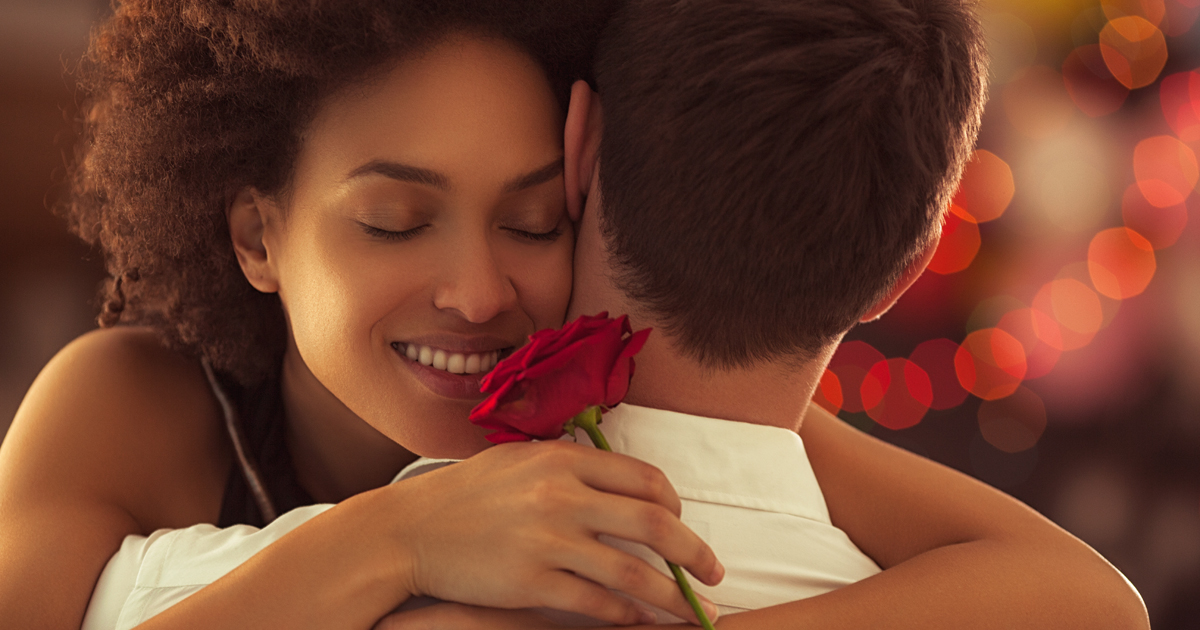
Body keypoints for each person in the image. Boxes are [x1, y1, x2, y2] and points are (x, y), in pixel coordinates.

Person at [373, 0, 1152, 627]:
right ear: (904, 276)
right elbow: (1110, 603)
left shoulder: (345, 574)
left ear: (582, 149)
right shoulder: (998, 603)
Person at [0, 2, 727, 628]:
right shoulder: (124, 405)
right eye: (395, 223)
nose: (479, 296)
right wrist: (398, 540)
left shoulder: (635, 378)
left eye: (534, 223)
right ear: (258, 238)